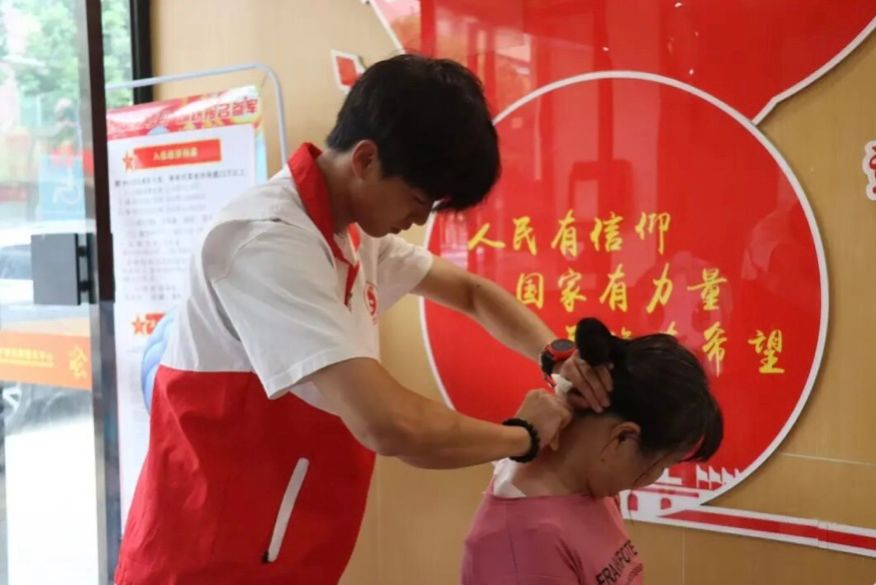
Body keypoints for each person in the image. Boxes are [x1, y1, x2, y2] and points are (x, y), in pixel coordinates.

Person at [115, 55, 612, 585]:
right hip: (205, 560)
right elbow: (387, 423)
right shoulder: (265, 240)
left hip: (290, 552)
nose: (418, 220)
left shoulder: (353, 231)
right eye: (418, 200)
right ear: (366, 158)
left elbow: (472, 294)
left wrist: (557, 356)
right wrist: (523, 437)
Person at [462, 318, 724, 585]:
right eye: (663, 465)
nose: (653, 477)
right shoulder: (524, 544)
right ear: (623, 437)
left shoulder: (594, 485)